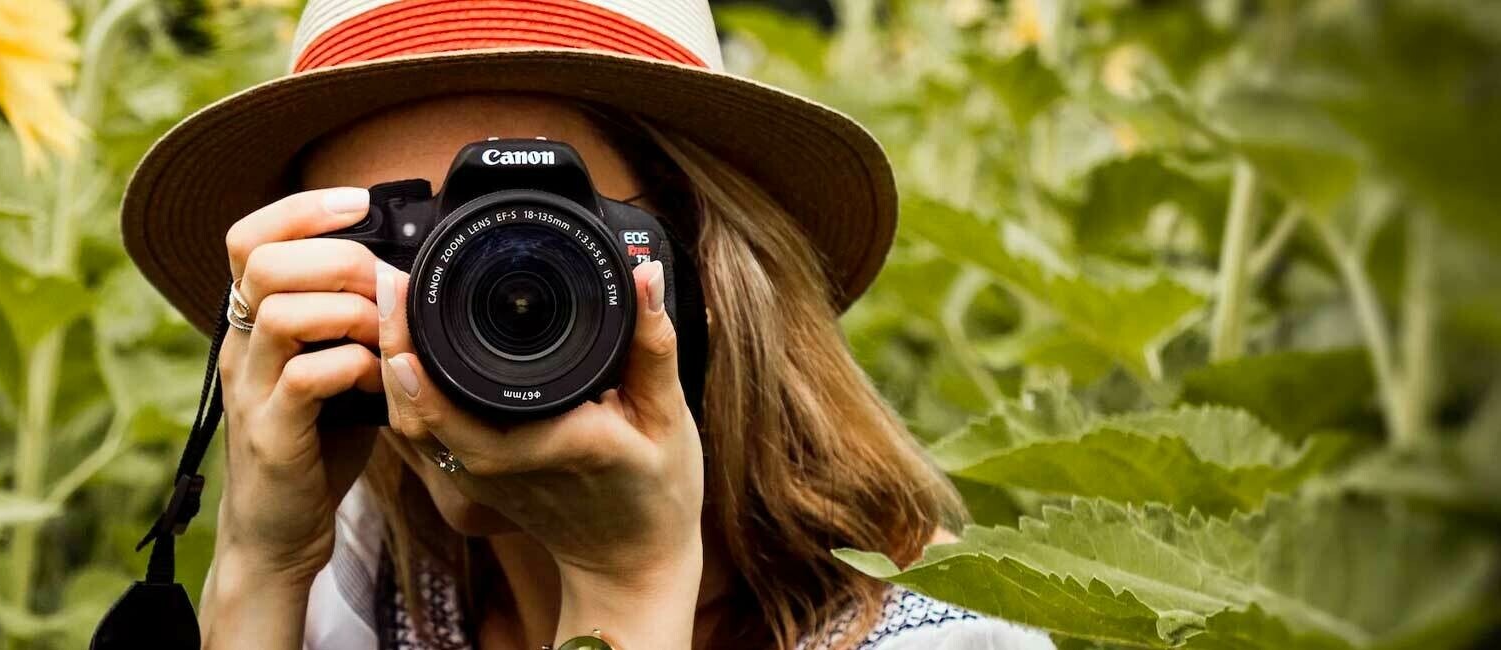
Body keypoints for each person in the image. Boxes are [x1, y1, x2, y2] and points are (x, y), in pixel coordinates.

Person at [118, 1, 1055, 648]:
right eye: (405, 244)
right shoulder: (369, 568)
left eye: (547, 234)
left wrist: (626, 581)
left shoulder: (944, 626)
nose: (468, 302)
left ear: (710, 268)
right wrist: (258, 560)